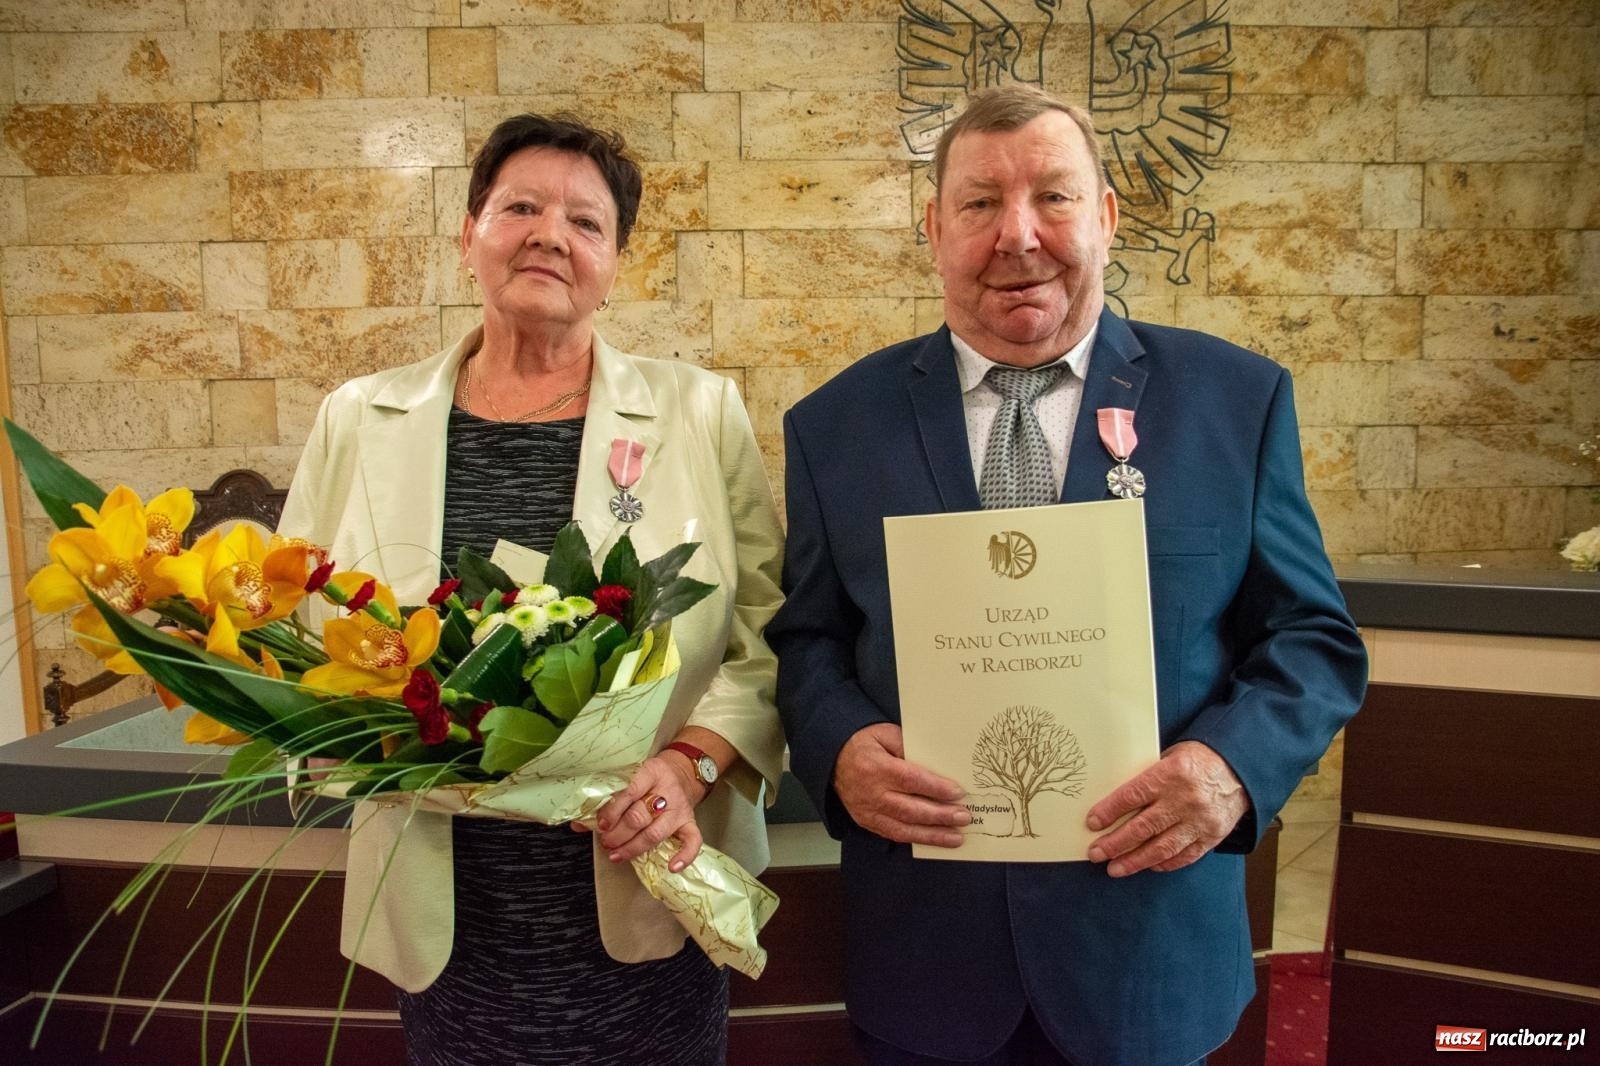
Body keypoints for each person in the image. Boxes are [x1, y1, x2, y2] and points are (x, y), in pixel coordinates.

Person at [766, 86, 1367, 1066]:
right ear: (932, 227)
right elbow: (808, 640)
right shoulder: (834, 427)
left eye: (1053, 196)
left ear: (1106, 215)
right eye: (977, 204)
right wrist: (835, 744)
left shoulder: (1235, 401)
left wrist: (1227, 771)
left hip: (1148, 956)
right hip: (927, 959)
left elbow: (1312, 640)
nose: (1018, 236)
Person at [276, 113, 785, 1066]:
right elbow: (297, 636)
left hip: (645, 877)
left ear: (616, 261)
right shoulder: (359, 418)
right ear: (469, 234)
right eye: (520, 207)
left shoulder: (699, 412)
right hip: (446, 905)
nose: (551, 234)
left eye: (586, 222)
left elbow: (765, 632)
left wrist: (688, 766)